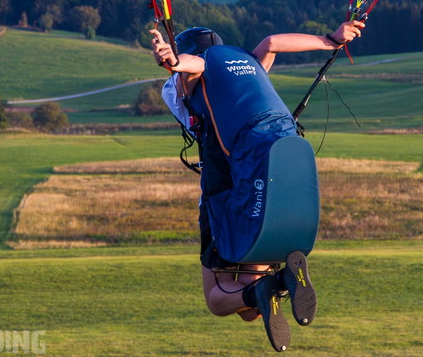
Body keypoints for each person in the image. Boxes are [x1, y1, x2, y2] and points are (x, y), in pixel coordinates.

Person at [150, 19, 365, 352]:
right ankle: (275, 285)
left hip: (235, 185)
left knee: (217, 299)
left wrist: (173, 61)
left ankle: (269, 287)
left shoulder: (195, 72)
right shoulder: (248, 63)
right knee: (249, 309)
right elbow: (272, 42)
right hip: (279, 155)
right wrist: (332, 40)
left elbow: (193, 64)